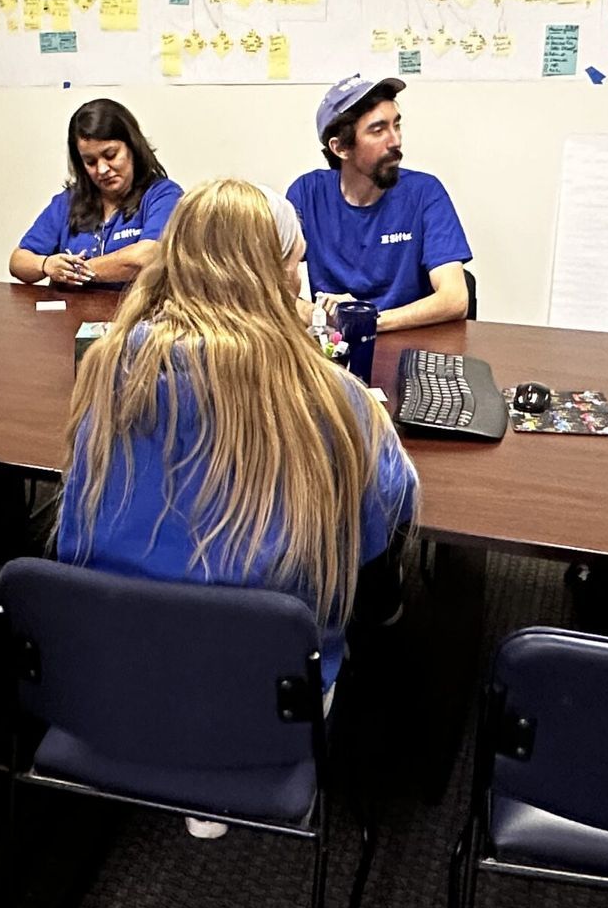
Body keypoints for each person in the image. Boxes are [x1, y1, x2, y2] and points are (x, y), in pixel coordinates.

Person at [57, 178, 418, 701]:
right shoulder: (339, 401)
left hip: (108, 687)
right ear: (276, 278)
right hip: (263, 708)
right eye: (295, 262)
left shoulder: (108, 371)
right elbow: (388, 522)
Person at [286, 74, 472, 332]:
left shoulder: (425, 192)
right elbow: (270, 289)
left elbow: (455, 299)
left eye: (396, 125)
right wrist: (316, 314)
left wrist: (364, 320)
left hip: (408, 344)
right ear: (340, 148)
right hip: (335, 350)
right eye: (378, 130)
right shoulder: (307, 194)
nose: (395, 141)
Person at [8, 98, 182, 290]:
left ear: (132, 147)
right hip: (71, 315)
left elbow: (147, 256)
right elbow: (18, 261)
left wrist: (75, 271)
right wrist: (45, 264)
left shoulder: (164, 195)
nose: (102, 169)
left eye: (110, 155)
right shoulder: (68, 201)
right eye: (90, 162)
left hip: (135, 315)